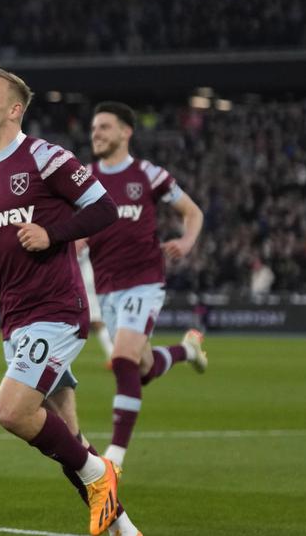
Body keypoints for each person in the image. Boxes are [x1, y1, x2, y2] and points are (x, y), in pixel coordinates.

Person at [0, 65, 137, 536]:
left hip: (57, 310)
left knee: (12, 410)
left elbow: (104, 207)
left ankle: (98, 472)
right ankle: (124, 530)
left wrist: (52, 233)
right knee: (68, 434)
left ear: (14, 109)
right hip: (17, 320)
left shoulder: (45, 158)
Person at [85, 101, 208, 469]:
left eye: (105, 127)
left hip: (144, 281)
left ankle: (114, 459)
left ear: (126, 132)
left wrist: (186, 243)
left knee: (122, 359)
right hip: (106, 286)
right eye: (94, 128)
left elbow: (193, 212)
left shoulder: (148, 174)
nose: (97, 134)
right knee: (141, 368)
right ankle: (187, 350)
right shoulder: (85, 179)